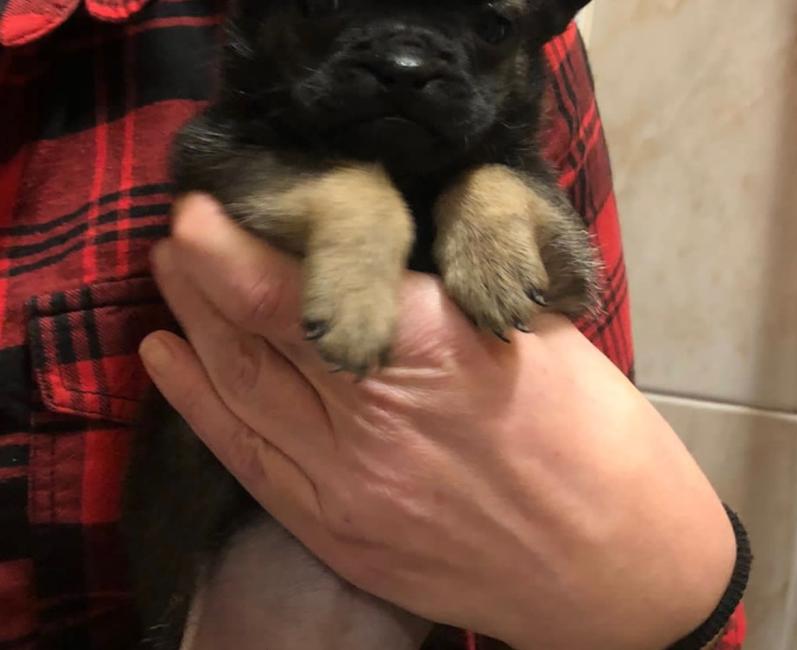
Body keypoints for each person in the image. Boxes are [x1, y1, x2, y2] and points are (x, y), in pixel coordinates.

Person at [0, 1, 748, 649]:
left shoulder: (508, 164)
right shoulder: (237, 129)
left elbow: (564, 280)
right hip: (195, 585)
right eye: (330, 5)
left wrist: (658, 588)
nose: (406, 61)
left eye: (487, 26)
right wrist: (350, 217)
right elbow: (215, 158)